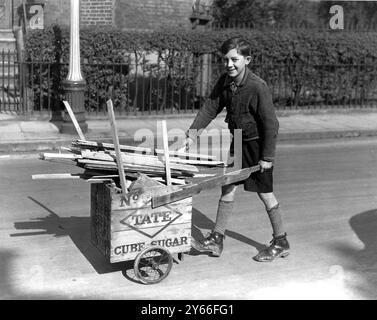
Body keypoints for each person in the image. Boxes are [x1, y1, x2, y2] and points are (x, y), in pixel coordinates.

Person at [178, 37, 290, 262]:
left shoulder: (257, 86)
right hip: (238, 142)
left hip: (258, 147)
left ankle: (280, 241)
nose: (229, 64)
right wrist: (191, 136)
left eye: (234, 60)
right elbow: (210, 108)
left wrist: (267, 157)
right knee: (227, 187)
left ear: (247, 60)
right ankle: (216, 239)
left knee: (265, 194)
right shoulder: (224, 82)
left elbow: (271, 124)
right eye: (225, 60)